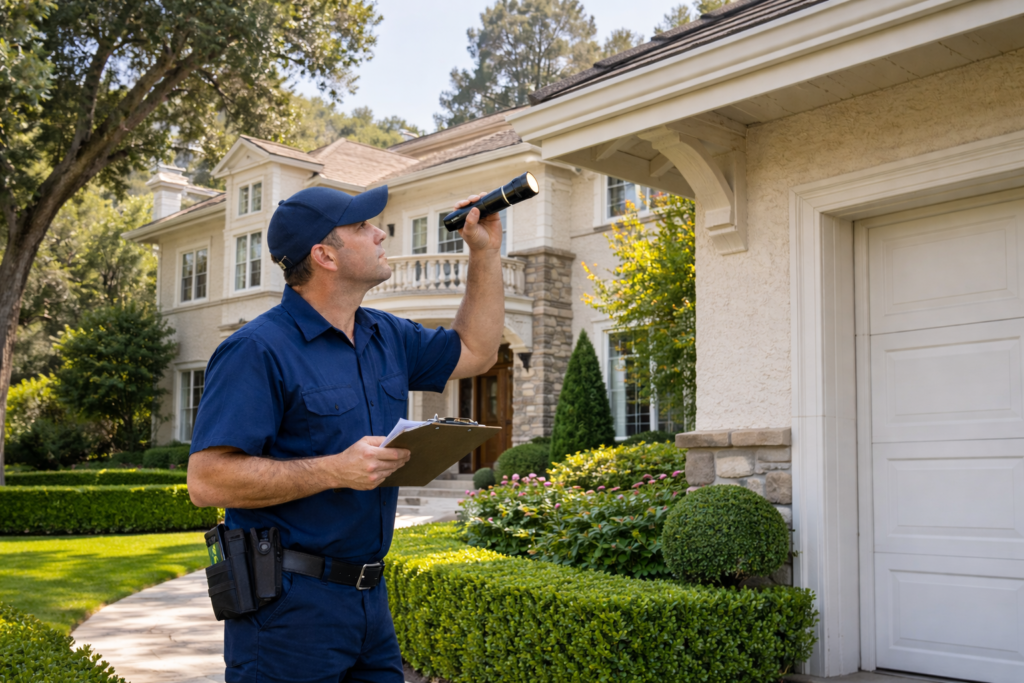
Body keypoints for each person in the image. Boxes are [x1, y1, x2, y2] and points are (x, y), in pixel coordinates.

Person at [186, 183, 505, 683]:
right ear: (324, 255)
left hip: (369, 603)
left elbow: (478, 351)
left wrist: (484, 254)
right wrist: (335, 470)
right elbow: (207, 481)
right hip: (286, 612)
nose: (381, 233)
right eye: (362, 227)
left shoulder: (387, 335)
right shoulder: (256, 349)